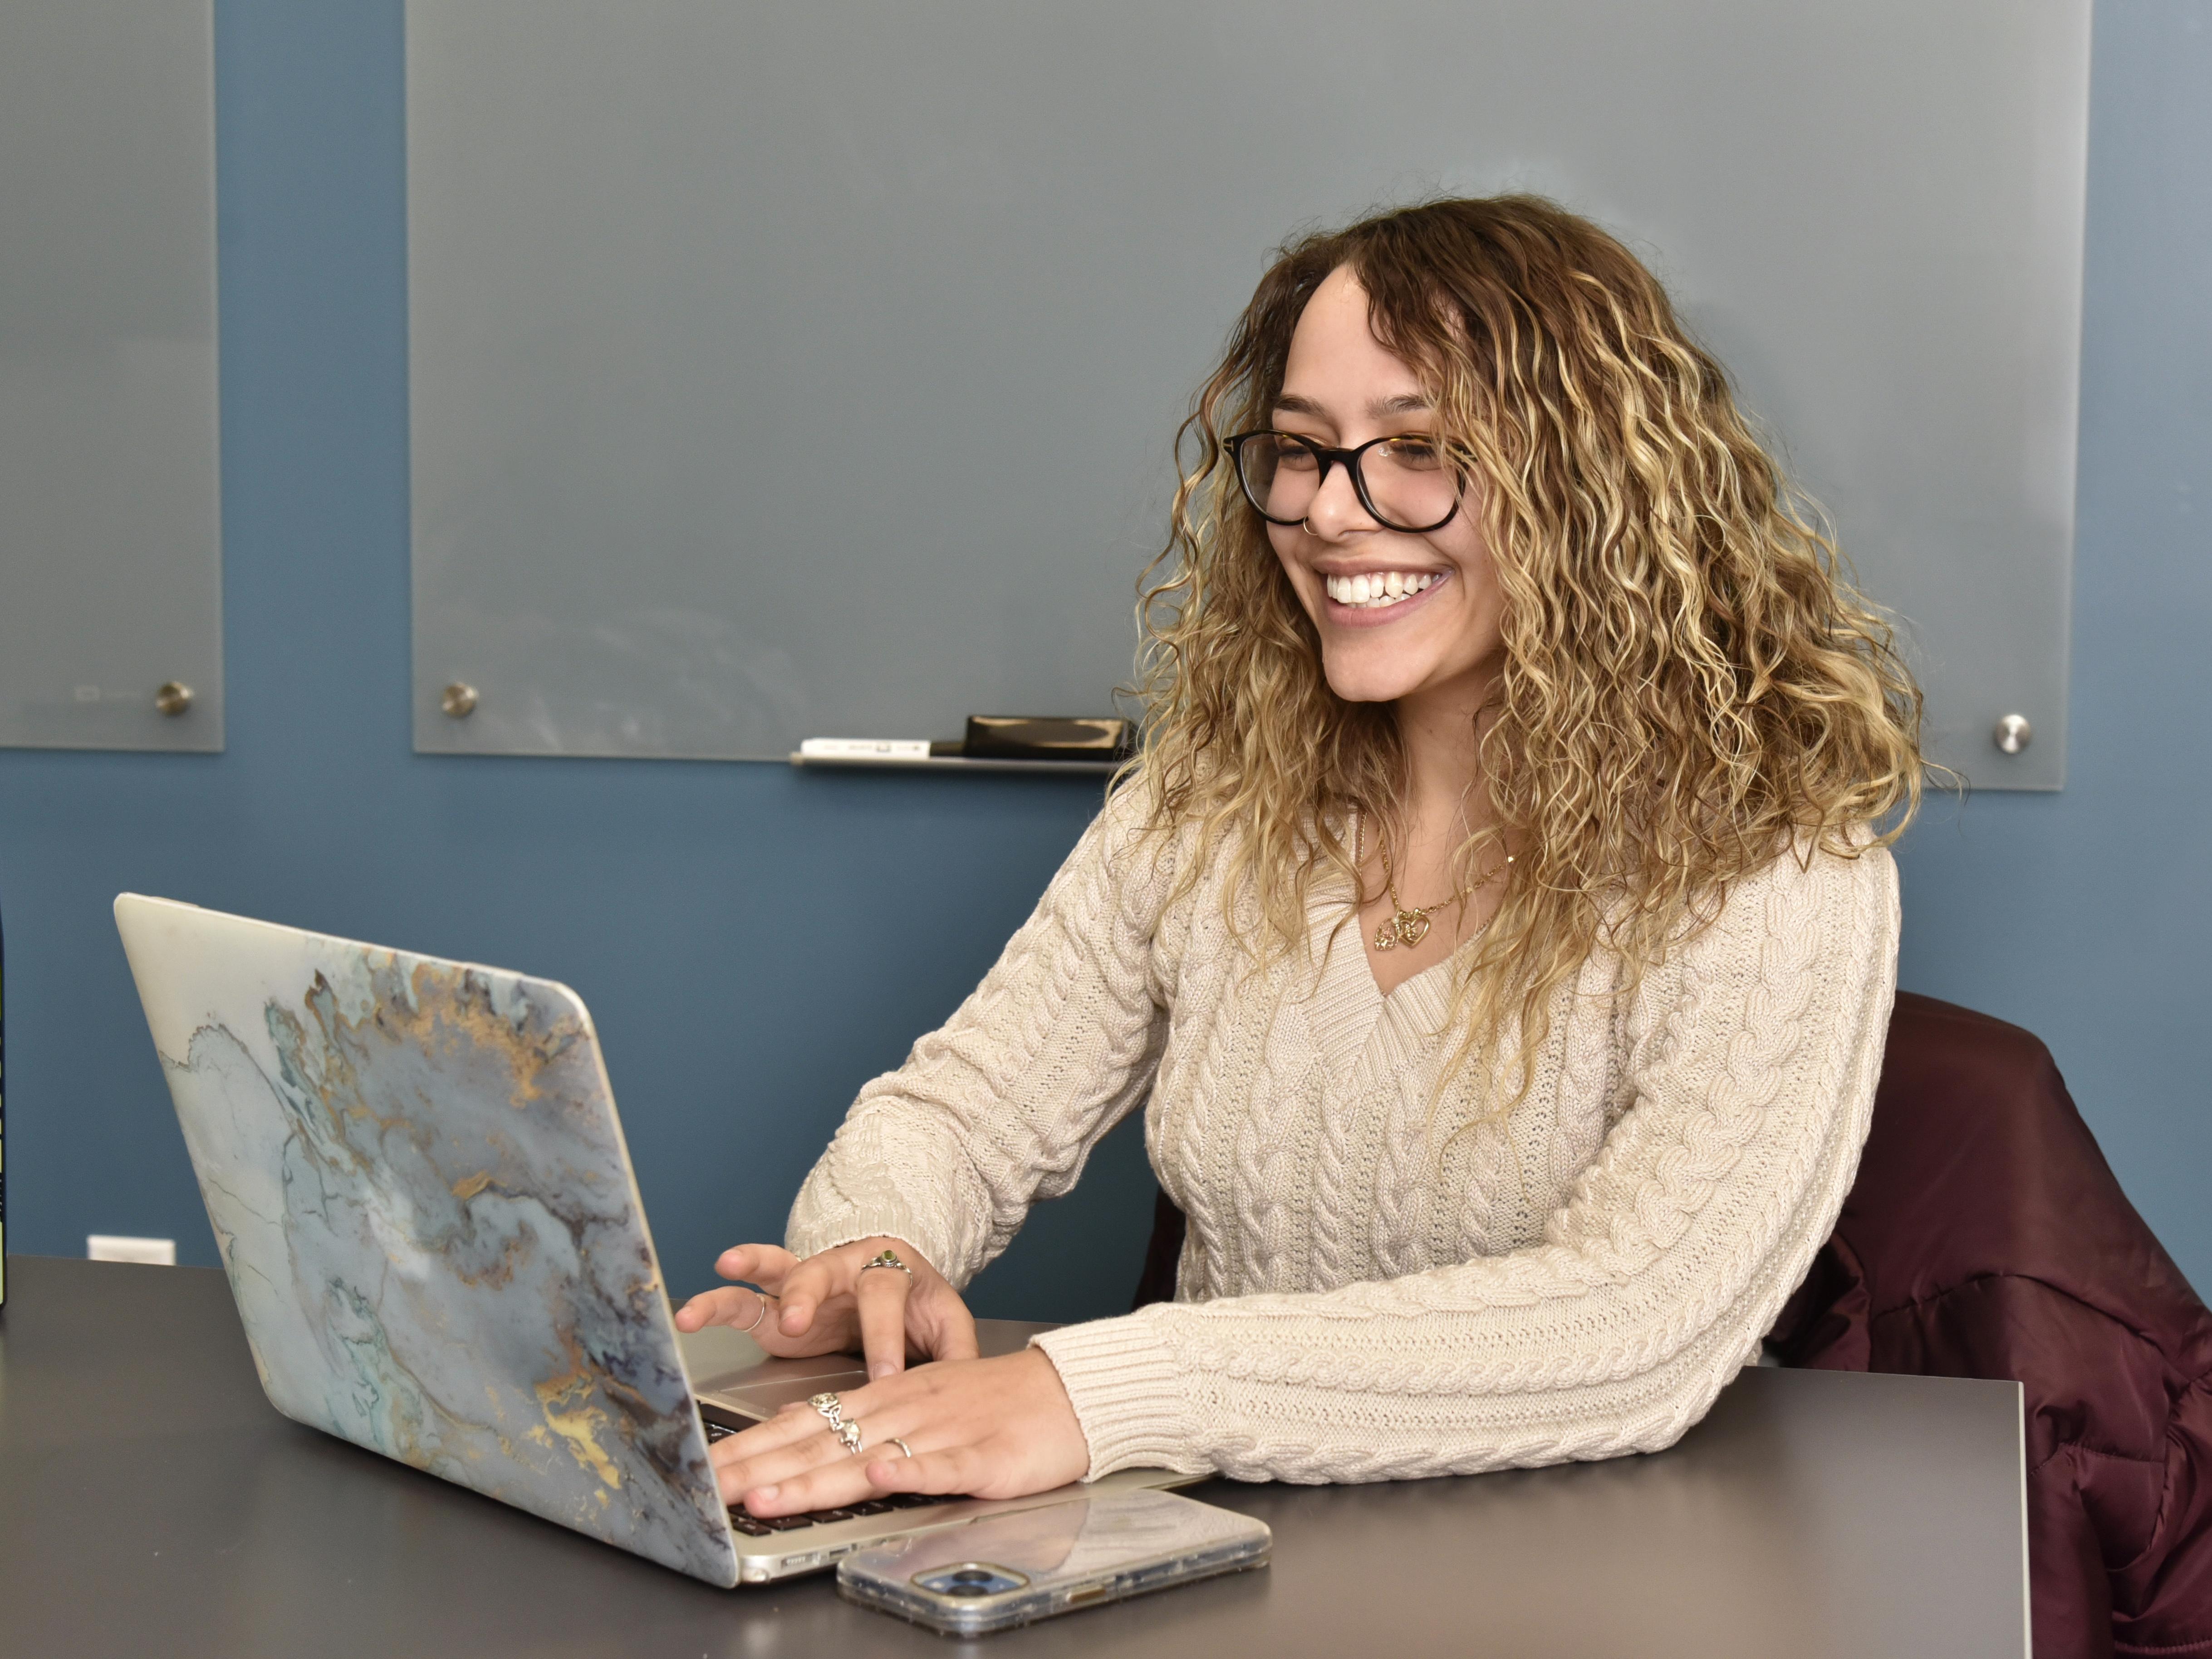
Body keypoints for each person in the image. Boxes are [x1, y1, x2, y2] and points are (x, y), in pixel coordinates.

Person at [676, 195, 1923, 1518]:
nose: (1332, 514)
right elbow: (961, 1111)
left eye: (1419, 449)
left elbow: (1637, 1323)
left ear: (1592, 487)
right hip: (1217, 1548)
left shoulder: (1780, 878)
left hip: (1580, 1564)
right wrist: (876, 1243)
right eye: (1299, 450)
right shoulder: (1209, 805)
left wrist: (1096, 1392)